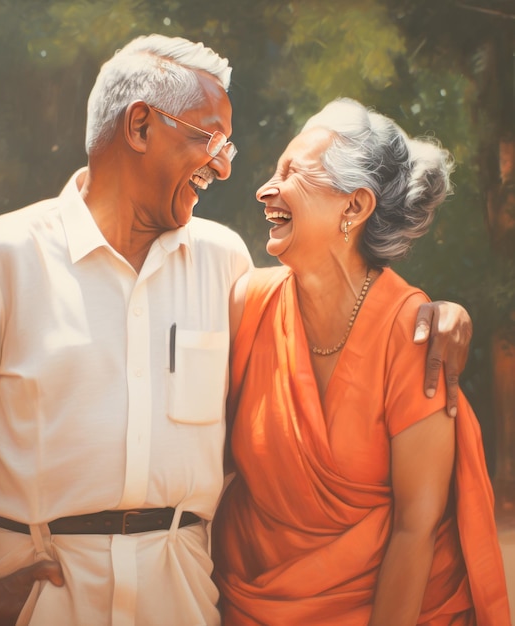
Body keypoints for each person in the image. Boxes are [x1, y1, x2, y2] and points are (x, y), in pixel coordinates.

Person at [0, 37, 470, 626]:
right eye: (209, 138)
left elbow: (335, 314)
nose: (224, 165)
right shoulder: (1, 257)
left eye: (228, 146)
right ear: (140, 125)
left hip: (184, 598)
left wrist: (438, 312)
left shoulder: (226, 265)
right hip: (45, 596)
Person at [212, 98, 511, 625]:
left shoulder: (415, 332)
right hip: (249, 604)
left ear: (354, 207)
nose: (265, 188)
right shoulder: (248, 304)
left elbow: (413, 529)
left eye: (292, 173)